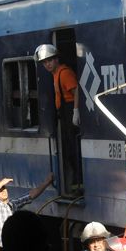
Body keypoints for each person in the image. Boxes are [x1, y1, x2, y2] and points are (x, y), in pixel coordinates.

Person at [34, 44, 82, 194]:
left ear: (56, 60)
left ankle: (78, 184)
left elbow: (77, 91)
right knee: (69, 150)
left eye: (49, 60)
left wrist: (75, 111)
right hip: (64, 114)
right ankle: (75, 184)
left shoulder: (64, 73)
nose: (47, 64)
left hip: (69, 112)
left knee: (74, 149)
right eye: (44, 62)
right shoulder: (55, 75)